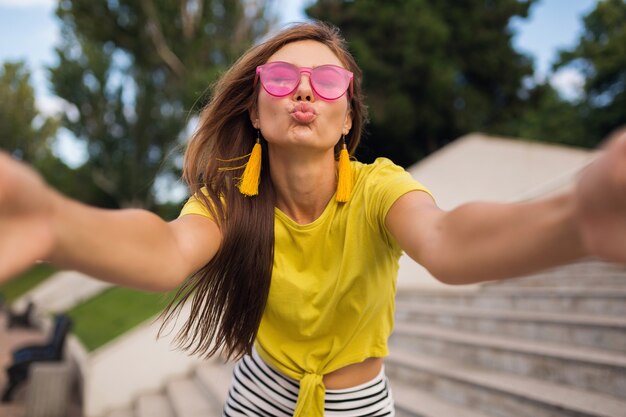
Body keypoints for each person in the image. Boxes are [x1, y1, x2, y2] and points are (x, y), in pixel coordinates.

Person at [0, 21, 625, 417]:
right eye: (281, 77)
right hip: (259, 393)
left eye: (328, 81)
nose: (304, 91)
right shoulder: (229, 199)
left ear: (348, 116)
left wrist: (575, 221)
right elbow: (164, 250)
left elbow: (448, 240)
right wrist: (54, 222)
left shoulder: (380, 188)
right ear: (253, 107)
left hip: (360, 403)